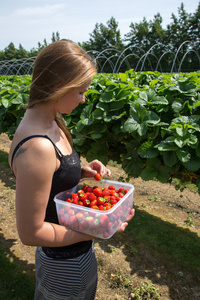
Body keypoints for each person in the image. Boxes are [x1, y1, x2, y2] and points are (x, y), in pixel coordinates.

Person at [8, 39, 135, 300]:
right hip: (64, 265)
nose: (83, 98)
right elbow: (31, 233)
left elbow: (49, 177)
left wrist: (79, 171)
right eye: (80, 91)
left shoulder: (52, 122)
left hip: (72, 256)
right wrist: (98, 229)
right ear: (58, 87)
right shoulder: (38, 147)